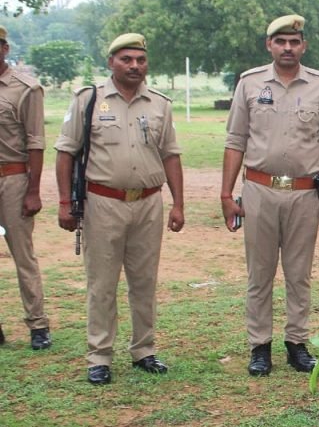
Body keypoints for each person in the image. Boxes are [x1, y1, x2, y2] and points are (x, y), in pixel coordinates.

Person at [55, 33, 185, 385]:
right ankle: (100, 356)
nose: (134, 66)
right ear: (111, 62)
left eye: (140, 60)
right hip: (102, 203)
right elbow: (66, 152)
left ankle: (144, 350)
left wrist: (178, 204)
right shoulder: (89, 100)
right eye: (126, 59)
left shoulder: (160, 103)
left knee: (144, 282)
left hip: (147, 203)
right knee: (102, 283)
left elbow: (170, 155)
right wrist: (66, 202)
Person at [220, 14, 319, 377]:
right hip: (258, 190)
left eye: (294, 42)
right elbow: (235, 141)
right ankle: (260, 346)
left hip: (305, 194)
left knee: (298, 273)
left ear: (303, 46)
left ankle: (296, 343)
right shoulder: (250, 84)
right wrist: (226, 194)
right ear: (269, 45)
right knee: (259, 274)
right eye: (280, 41)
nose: (287, 48)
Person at [0, 26, 52, 351]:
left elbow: (36, 142)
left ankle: (37, 325)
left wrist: (33, 190)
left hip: (14, 179)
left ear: (4, 48)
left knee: (23, 254)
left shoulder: (25, 89)